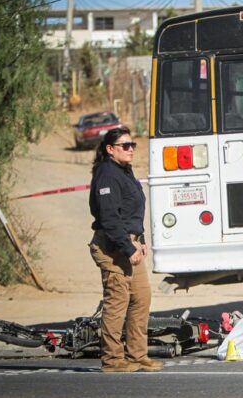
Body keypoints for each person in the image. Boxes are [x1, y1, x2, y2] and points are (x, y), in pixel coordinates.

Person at [88, 127, 163, 373]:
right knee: (117, 301)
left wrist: (139, 239)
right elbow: (109, 218)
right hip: (112, 247)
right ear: (110, 149)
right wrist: (127, 246)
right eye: (125, 145)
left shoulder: (125, 171)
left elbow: (131, 211)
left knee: (141, 298)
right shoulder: (107, 174)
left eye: (132, 145)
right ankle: (112, 360)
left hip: (129, 243)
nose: (131, 149)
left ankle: (137, 356)